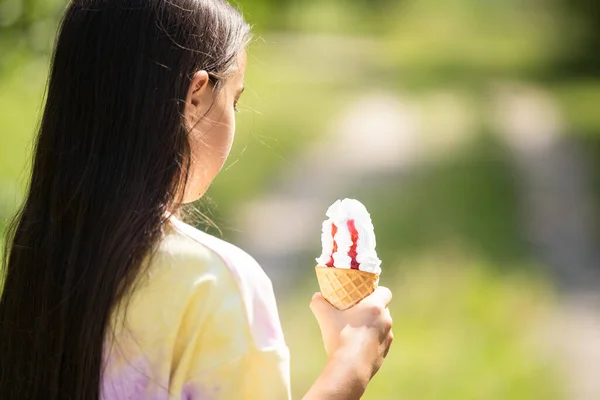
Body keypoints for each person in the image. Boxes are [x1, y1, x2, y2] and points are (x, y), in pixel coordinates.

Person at [0, 1, 393, 399]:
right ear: (196, 97)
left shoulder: (37, 256)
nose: (235, 114)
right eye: (234, 100)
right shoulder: (215, 281)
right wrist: (350, 366)